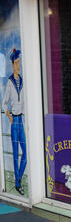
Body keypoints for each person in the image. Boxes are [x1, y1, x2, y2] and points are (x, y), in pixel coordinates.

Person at [2, 49, 27, 195]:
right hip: (14, 122)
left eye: (19, 63)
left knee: (25, 155)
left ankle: (17, 180)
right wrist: (9, 116)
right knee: (15, 154)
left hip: (21, 122)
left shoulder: (23, 81)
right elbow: (4, 103)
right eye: (16, 63)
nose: (18, 65)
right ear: (12, 65)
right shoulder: (10, 83)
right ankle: (18, 184)